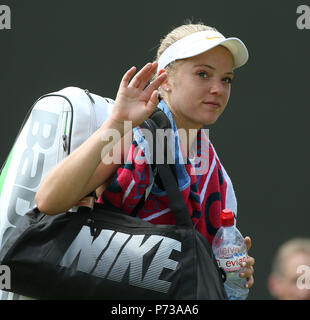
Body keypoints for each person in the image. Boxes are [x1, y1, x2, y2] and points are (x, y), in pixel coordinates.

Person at [35, 22, 255, 298]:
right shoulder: (135, 135)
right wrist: (117, 122)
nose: (218, 89)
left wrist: (229, 270)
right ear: (165, 80)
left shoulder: (211, 164)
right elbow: (48, 199)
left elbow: (199, 263)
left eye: (226, 79)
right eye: (202, 74)